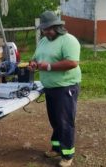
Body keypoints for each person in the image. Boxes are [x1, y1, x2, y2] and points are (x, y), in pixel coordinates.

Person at [29, 11, 81, 167]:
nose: (45, 32)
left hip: (65, 87)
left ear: (57, 27)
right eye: (43, 29)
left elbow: (72, 62)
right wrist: (33, 63)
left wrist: (49, 67)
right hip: (50, 88)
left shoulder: (69, 40)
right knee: (55, 120)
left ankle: (67, 154)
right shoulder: (44, 41)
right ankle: (57, 147)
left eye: (48, 29)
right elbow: (36, 57)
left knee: (65, 121)